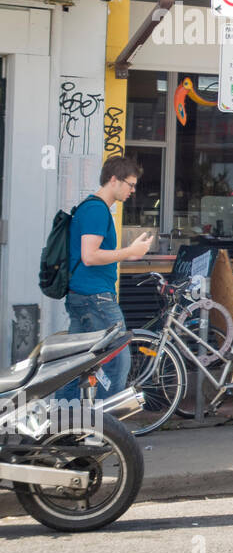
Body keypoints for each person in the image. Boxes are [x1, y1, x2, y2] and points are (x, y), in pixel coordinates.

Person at [56, 157, 154, 402]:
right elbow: (90, 256)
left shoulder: (90, 208)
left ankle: (63, 425)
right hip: (96, 298)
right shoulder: (96, 210)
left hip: (83, 296)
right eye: (130, 184)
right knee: (118, 362)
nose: (133, 190)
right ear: (113, 180)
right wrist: (131, 252)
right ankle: (104, 429)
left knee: (74, 365)